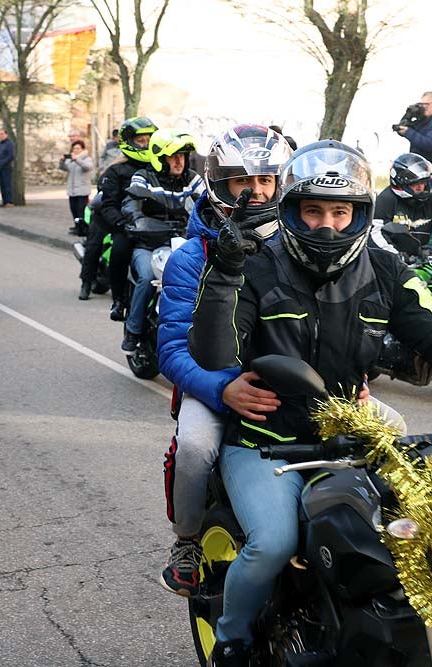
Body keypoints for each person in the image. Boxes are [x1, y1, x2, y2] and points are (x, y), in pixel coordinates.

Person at [188, 140, 432, 666]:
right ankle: (232, 639)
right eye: (313, 211)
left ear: (360, 213)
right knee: (273, 543)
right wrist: (225, 275)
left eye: (340, 212)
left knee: (424, 538)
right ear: (291, 211)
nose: (327, 226)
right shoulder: (255, 266)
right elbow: (213, 353)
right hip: (268, 443)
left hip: (356, 437)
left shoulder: (387, 272)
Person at [156, 124, 293, 598]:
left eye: (266, 182)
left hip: (293, 384)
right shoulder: (191, 258)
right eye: (242, 182)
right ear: (220, 185)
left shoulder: (298, 249)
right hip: (213, 386)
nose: (256, 193)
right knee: (194, 445)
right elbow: (171, 350)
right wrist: (221, 389)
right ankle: (187, 541)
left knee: (388, 426)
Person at [119, 129, 204, 354]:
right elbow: (131, 204)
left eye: (183, 156)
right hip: (149, 244)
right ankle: (133, 331)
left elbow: (207, 206)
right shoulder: (144, 177)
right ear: (159, 158)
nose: (180, 161)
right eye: (174, 155)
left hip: (183, 245)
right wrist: (138, 219)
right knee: (147, 278)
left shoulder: (192, 179)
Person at [78, 116, 157, 316]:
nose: (146, 144)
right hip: (114, 220)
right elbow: (108, 203)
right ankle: (111, 296)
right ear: (129, 141)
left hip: (147, 223)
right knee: (109, 248)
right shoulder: (115, 170)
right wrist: (121, 223)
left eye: (149, 139)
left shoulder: (156, 166)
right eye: (141, 140)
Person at [395, 91, 432, 190]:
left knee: (429, 204)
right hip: (418, 173)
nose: (424, 107)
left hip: (430, 176)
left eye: (427, 104)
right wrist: (409, 114)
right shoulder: (423, 120)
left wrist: (408, 132)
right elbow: (402, 127)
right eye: (422, 104)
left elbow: (431, 144)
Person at [60, 138, 94, 237]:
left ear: (82, 149)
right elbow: (64, 168)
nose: (75, 150)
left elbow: (87, 167)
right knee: (73, 209)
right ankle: (77, 226)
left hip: (82, 190)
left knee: (81, 210)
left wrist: (77, 160)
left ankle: (83, 228)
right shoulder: (70, 161)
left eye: (78, 148)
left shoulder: (87, 159)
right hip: (72, 189)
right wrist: (62, 161)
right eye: (74, 148)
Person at [0, 128, 15, 207]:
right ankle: (4, 201)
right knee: (2, 185)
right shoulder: (1, 143)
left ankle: (9, 202)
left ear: (6, 134)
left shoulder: (9, 144)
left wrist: (2, 163)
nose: (0, 136)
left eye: (2, 134)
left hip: (6, 167)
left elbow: (10, 156)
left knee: (7, 185)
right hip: (1, 167)